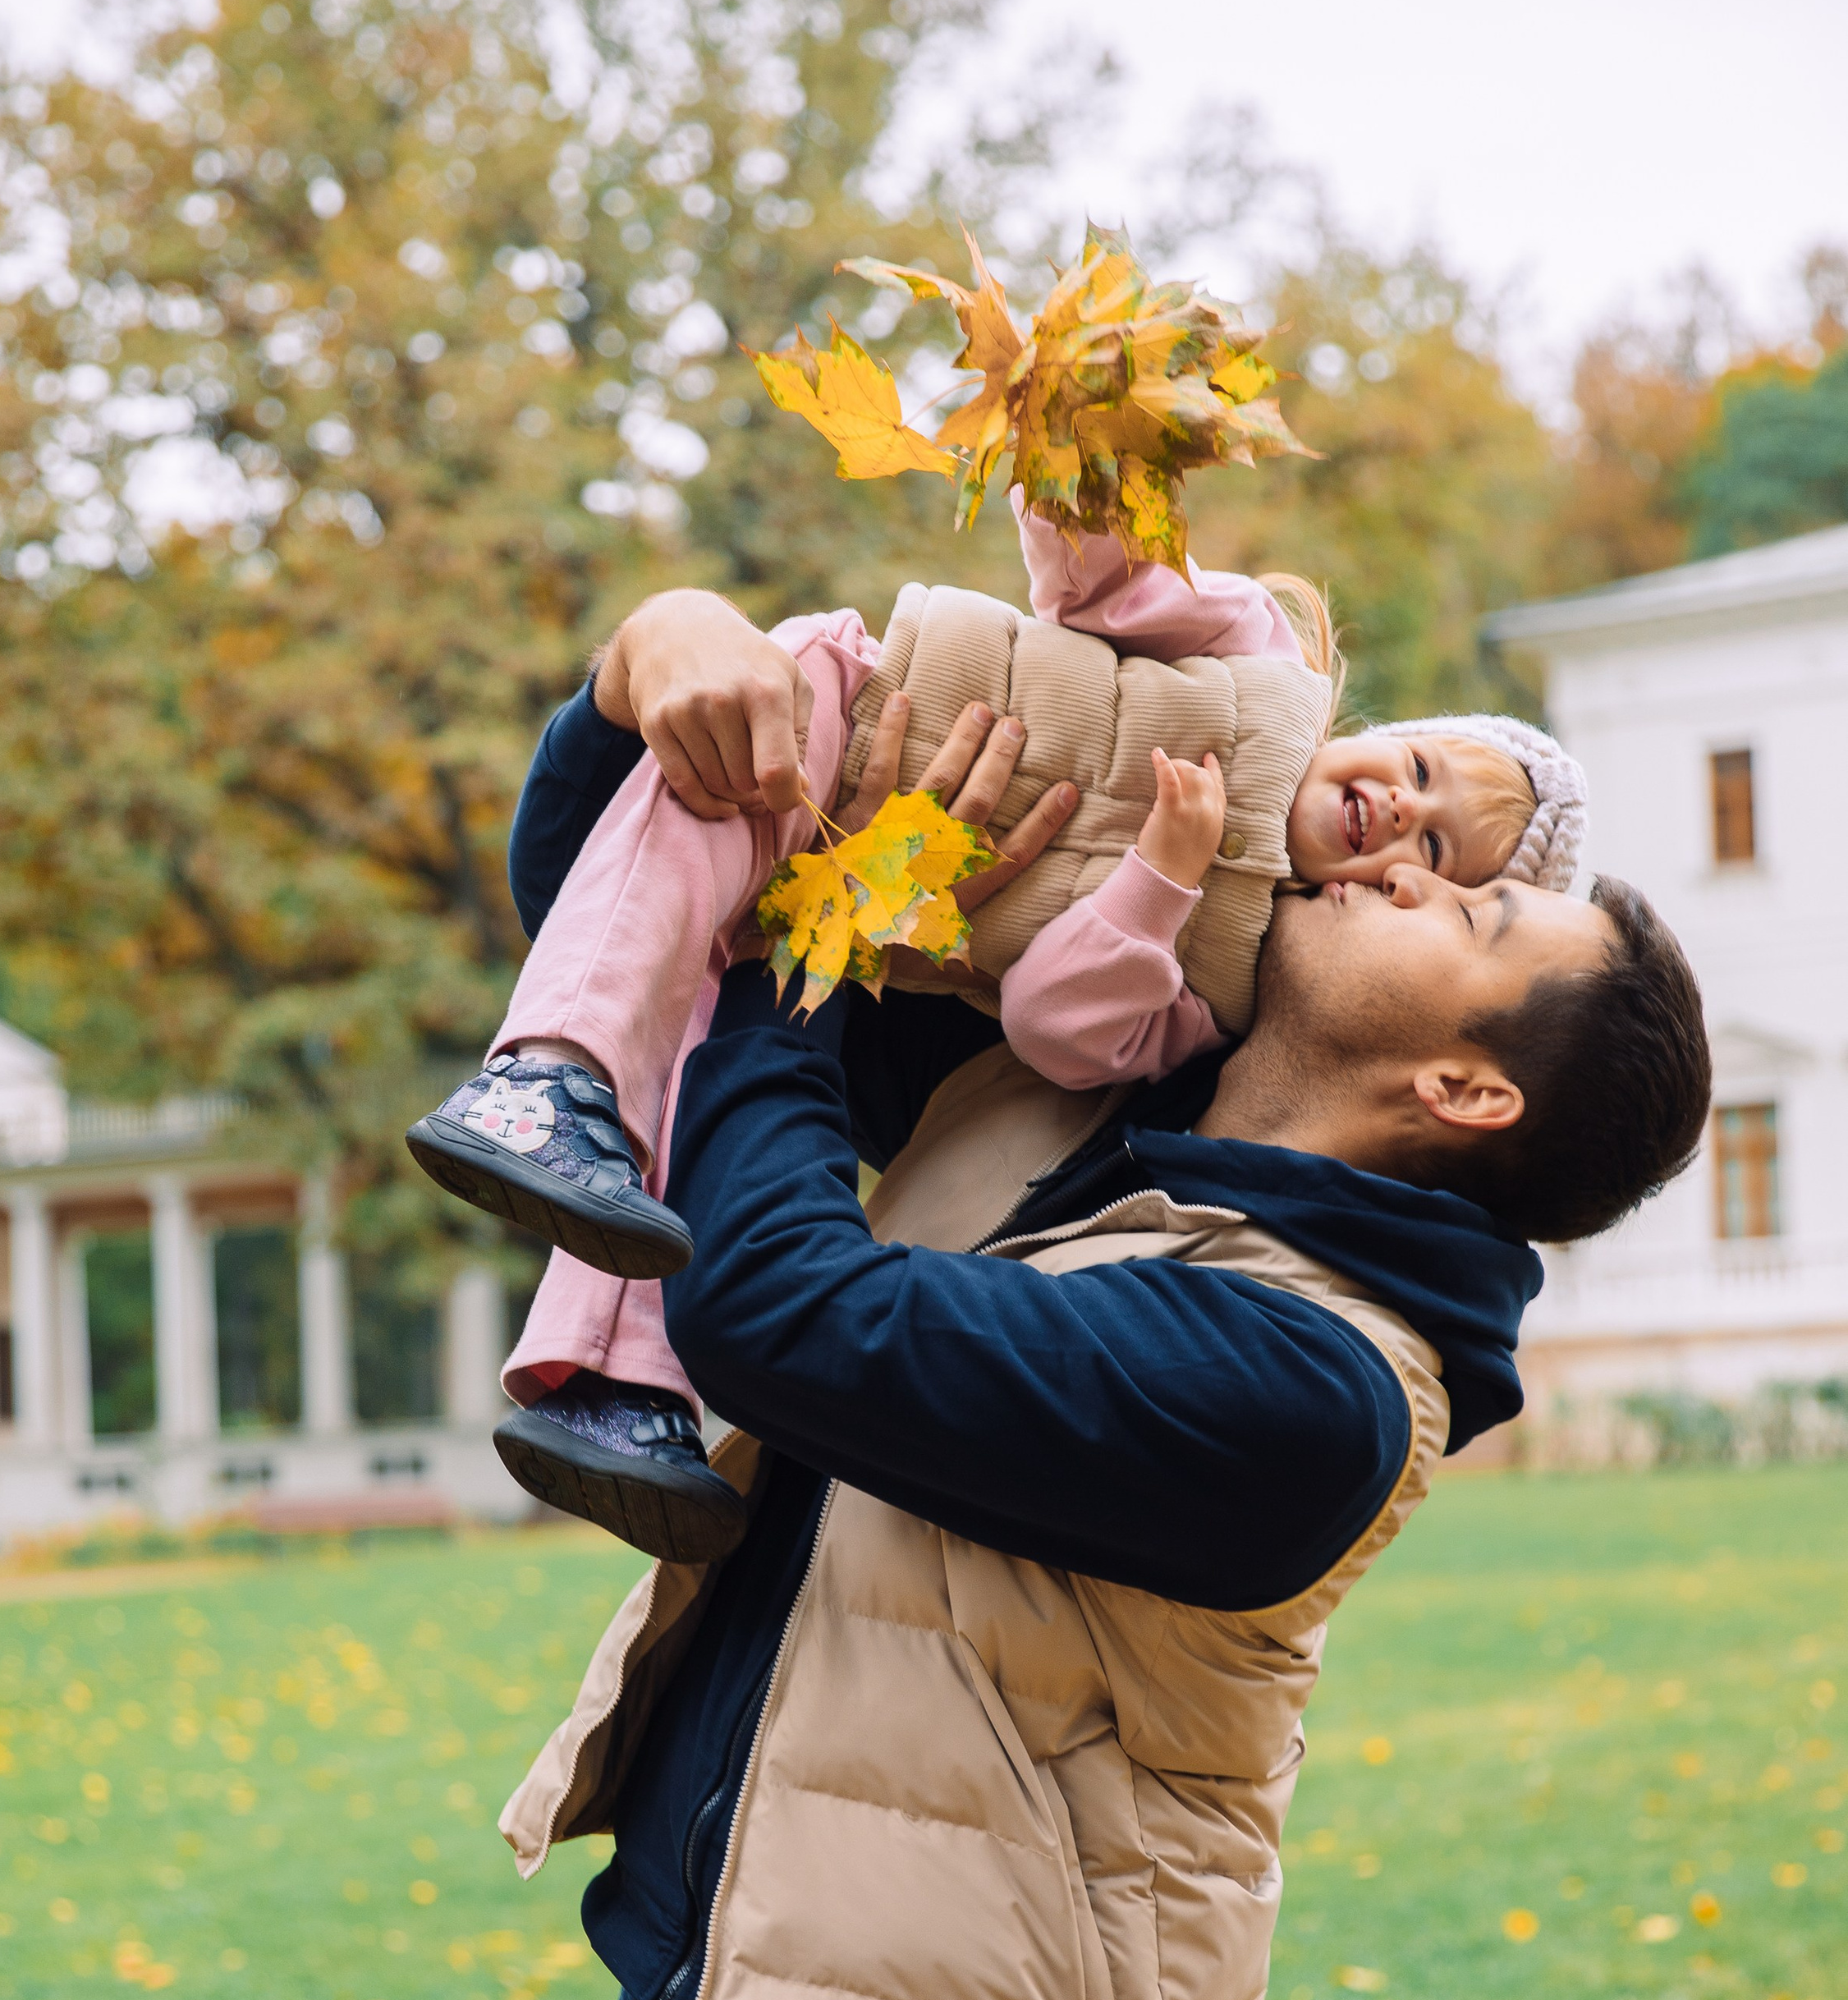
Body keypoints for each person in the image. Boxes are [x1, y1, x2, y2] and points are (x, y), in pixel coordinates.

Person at [493, 588, 1709, 2000]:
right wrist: (647, 678)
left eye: (1475, 911)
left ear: (1466, 1088)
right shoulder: (1075, 1090)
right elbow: (633, 959)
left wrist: (822, 939)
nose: (1405, 854)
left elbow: (785, 1314)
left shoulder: (1312, 1383)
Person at [407, 510, 1586, 1559]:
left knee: (691, 1024)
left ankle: (613, 1369)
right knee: (671, 1000)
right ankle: (551, 1101)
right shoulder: (1259, 673)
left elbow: (781, 1289)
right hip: (851, 712)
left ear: (1467, 1078)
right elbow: (1111, 581)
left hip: (874, 1749)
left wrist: (839, 918)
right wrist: (654, 651)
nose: (1404, 852)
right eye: (1418, 766)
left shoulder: (1299, 1362)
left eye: (1452, 882)